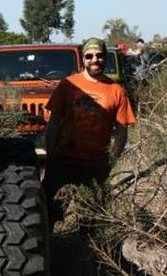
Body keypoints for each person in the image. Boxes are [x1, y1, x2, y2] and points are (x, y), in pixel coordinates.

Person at [42, 37, 136, 229]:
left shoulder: (116, 91)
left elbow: (122, 130)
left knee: (92, 221)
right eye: (89, 56)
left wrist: (112, 160)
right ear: (83, 59)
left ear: (105, 58)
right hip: (63, 161)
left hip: (96, 166)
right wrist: (51, 155)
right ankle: (48, 247)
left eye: (99, 55)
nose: (95, 60)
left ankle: (85, 248)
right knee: (47, 214)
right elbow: (53, 123)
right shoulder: (67, 85)